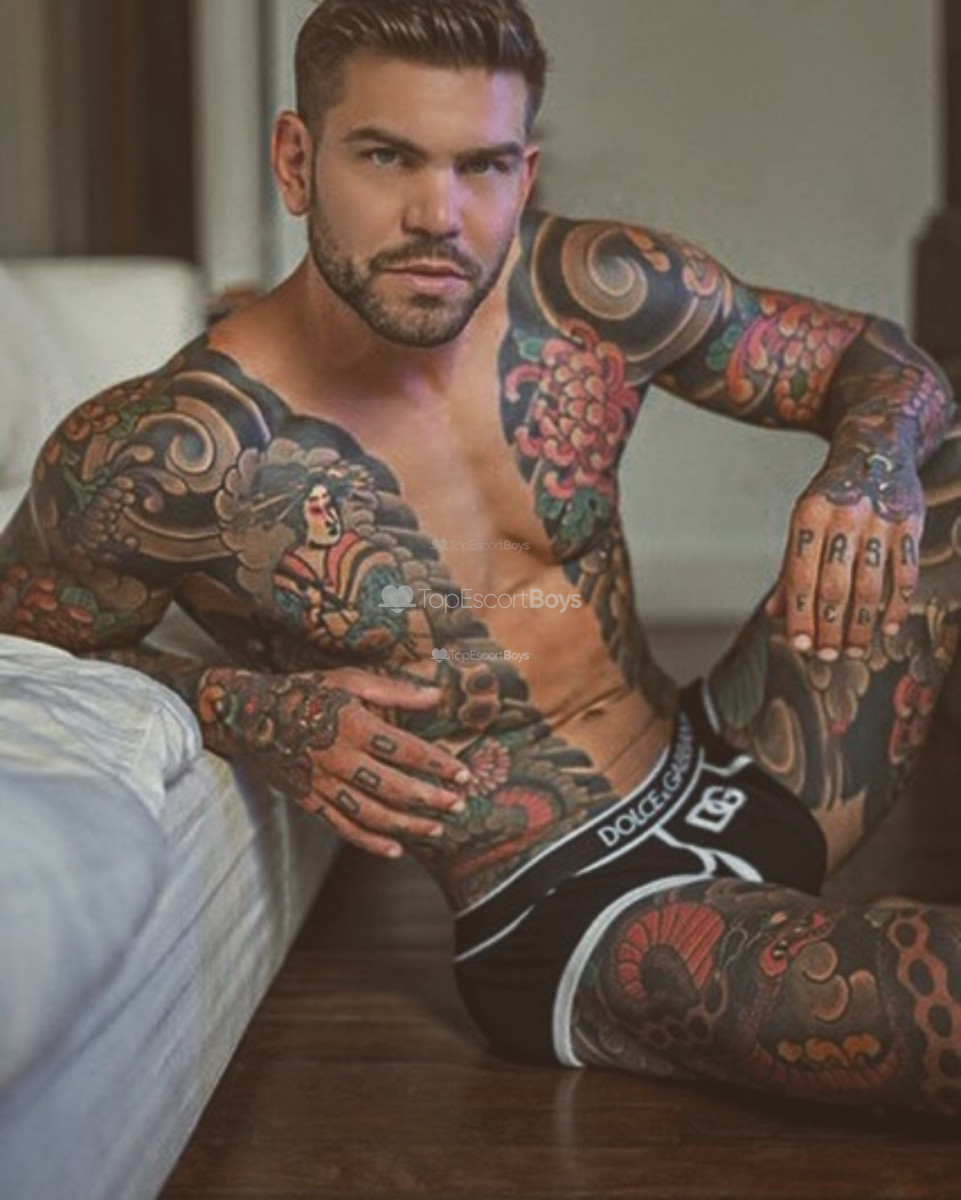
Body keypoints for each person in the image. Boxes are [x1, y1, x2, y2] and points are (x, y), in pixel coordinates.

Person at [2, 0, 961, 1114]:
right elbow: (20, 646)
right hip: (578, 908)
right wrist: (238, 706)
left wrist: (867, 466)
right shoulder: (168, 453)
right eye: (386, 156)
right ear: (296, 160)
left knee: (932, 440)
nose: (438, 216)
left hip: (744, 758)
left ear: (525, 168)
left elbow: (871, 362)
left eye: (482, 165)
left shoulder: (590, 293)